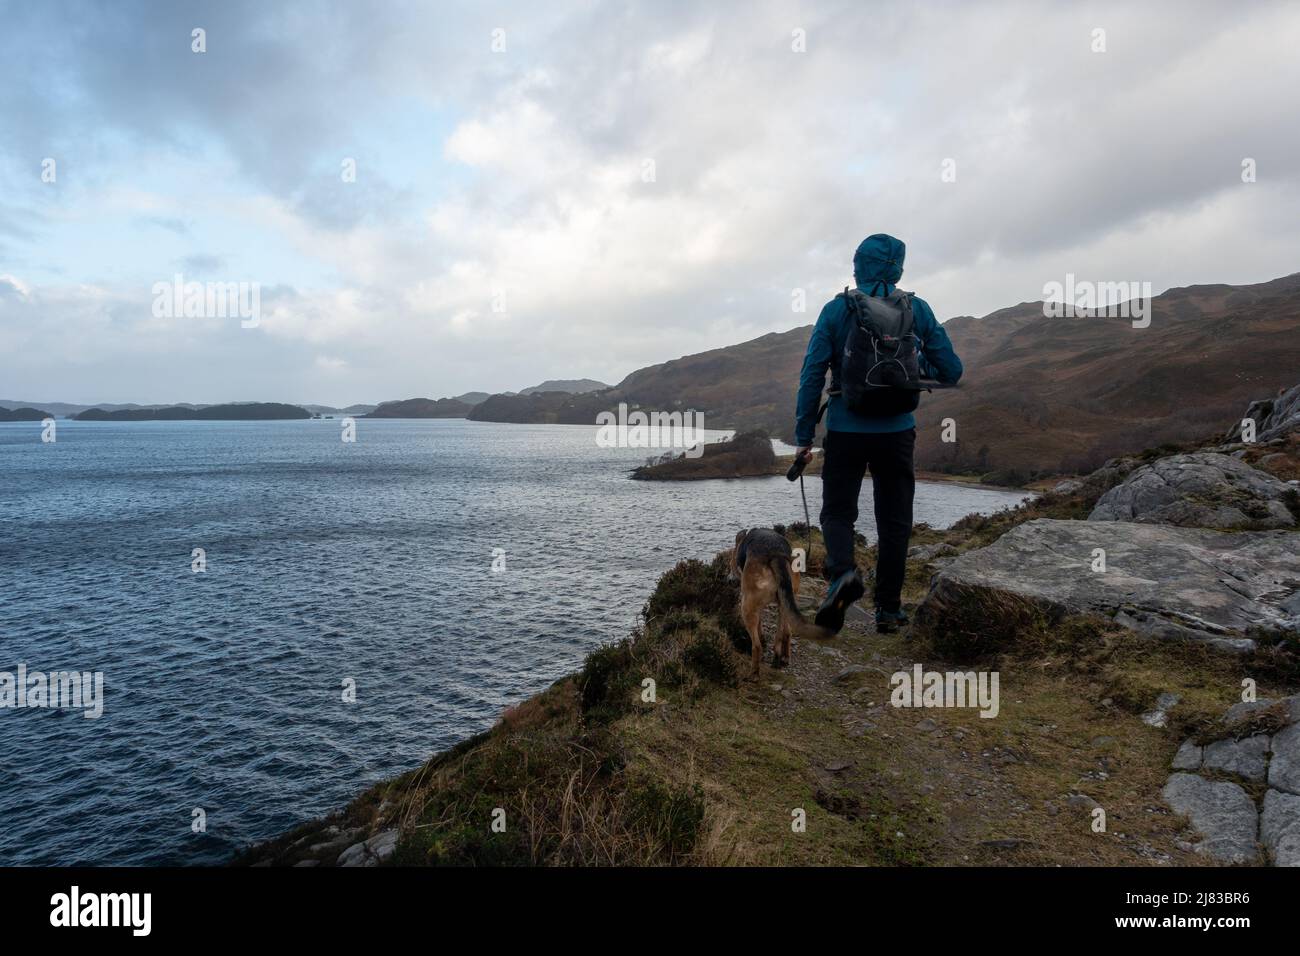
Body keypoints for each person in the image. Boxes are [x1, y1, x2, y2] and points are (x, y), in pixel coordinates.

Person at [793, 234, 963, 634]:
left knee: (838, 512)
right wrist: (913, 362)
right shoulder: (916, 309)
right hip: (898, 431)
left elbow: (811, 374)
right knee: (895, 519)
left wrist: (804, 435)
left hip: (846, 429)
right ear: (898, 268)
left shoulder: (837, 310)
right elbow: (951, 370)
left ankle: (842, 577)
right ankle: (888, 610)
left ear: (858, 266)